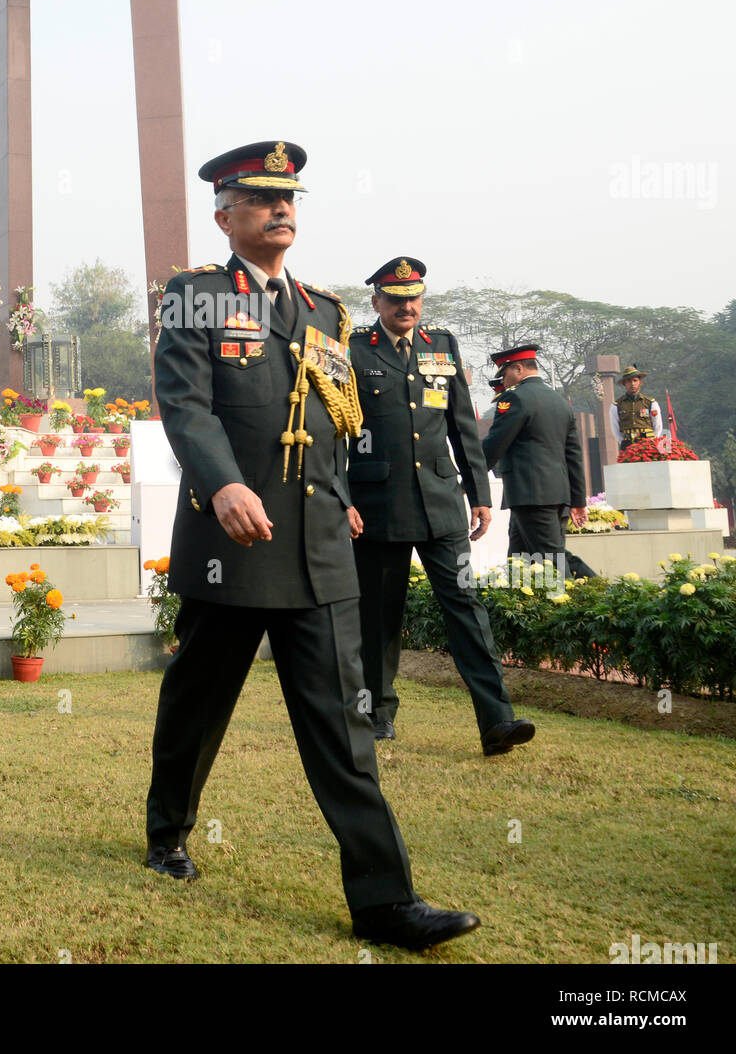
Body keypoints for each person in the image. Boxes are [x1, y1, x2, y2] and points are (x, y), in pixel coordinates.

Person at [145, 140, 479, 952]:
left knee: (346, 726)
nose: (281, 210)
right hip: (235, 544)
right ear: (225, 216)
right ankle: (167, 833)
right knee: (199, 701)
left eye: (289, 197)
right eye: (260, 199)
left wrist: (343, 501)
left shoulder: (328, 312)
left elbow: (332, 417)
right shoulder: (194, 300)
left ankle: (385, 903)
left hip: (320, 547)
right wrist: (223, 483)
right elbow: (187, 407)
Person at [347, 257, 533, 756]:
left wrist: (480, 495)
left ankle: (497, 719)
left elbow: (461, 427)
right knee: (379, 617)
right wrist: (341, 500)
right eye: (395, 298)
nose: (406, 306)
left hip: (440, 502)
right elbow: (334, 433)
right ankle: (377, 715)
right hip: (375, 505)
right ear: (377, 302)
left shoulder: (442, 346)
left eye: (414, 298)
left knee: (466, 609)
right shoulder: (351, 350)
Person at [482, 342, 596, 581]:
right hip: (557, 495)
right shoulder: (558, 401)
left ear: (519, 369)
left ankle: (603, 591)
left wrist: (470, 476)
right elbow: (573, 456)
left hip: (531, 495)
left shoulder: (515, 399)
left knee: (552, 558)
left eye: (506, 372)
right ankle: (526, 612)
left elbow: (494, 445)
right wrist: (577, 500)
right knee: (520, 563)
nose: (505, 379)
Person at [610, 364, 663, 451]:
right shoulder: (616, 405)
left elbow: (657, 425)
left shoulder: (651, 403)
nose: (632, 384)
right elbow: (615, 429)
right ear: (624, 384)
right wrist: (624, 442)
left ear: (640, 382)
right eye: (628, 381)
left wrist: (653, 440)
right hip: (628, 444)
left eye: (635, 380)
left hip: (648, 443)